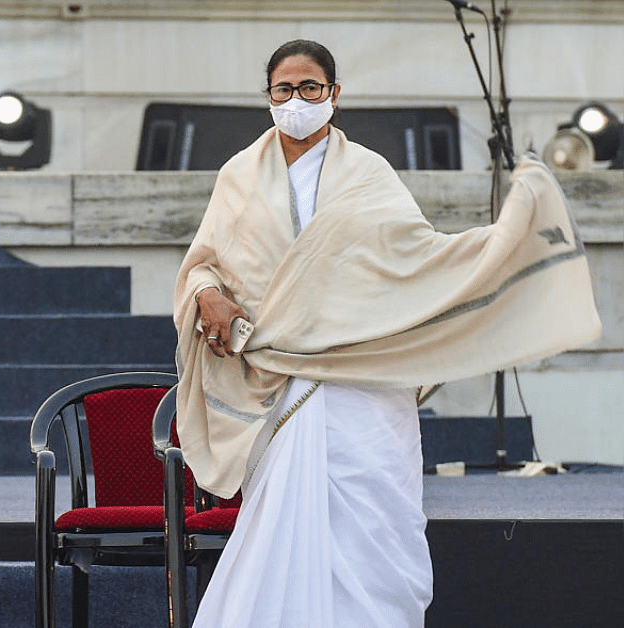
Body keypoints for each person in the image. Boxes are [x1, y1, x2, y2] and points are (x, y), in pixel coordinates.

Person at [173, 39, 599, 628]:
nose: (296, 99)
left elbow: (415, 263)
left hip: (365, 383)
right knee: (283, 534)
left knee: (373, 532)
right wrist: (208, 294)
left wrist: (499, 245)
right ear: (266, 97)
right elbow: (204, 262)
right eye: (283, 89)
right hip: (280, 383)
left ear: (334, 95)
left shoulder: (369, 173)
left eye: (310, 88)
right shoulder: (238, 176)